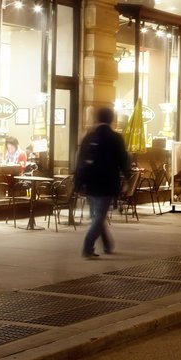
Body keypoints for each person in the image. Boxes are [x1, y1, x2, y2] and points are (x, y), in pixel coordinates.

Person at [73, 106, 132, 259]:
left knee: (98, 215)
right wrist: (127, 180)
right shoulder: (115, 137)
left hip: (90, 183)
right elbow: (123, 161)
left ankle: (107, 244)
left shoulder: (89, 136)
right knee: (99, 216)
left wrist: (78, 183)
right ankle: (87, 247)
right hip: (107, 183)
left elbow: (80, 160)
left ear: (97, 118)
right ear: (111, 119)